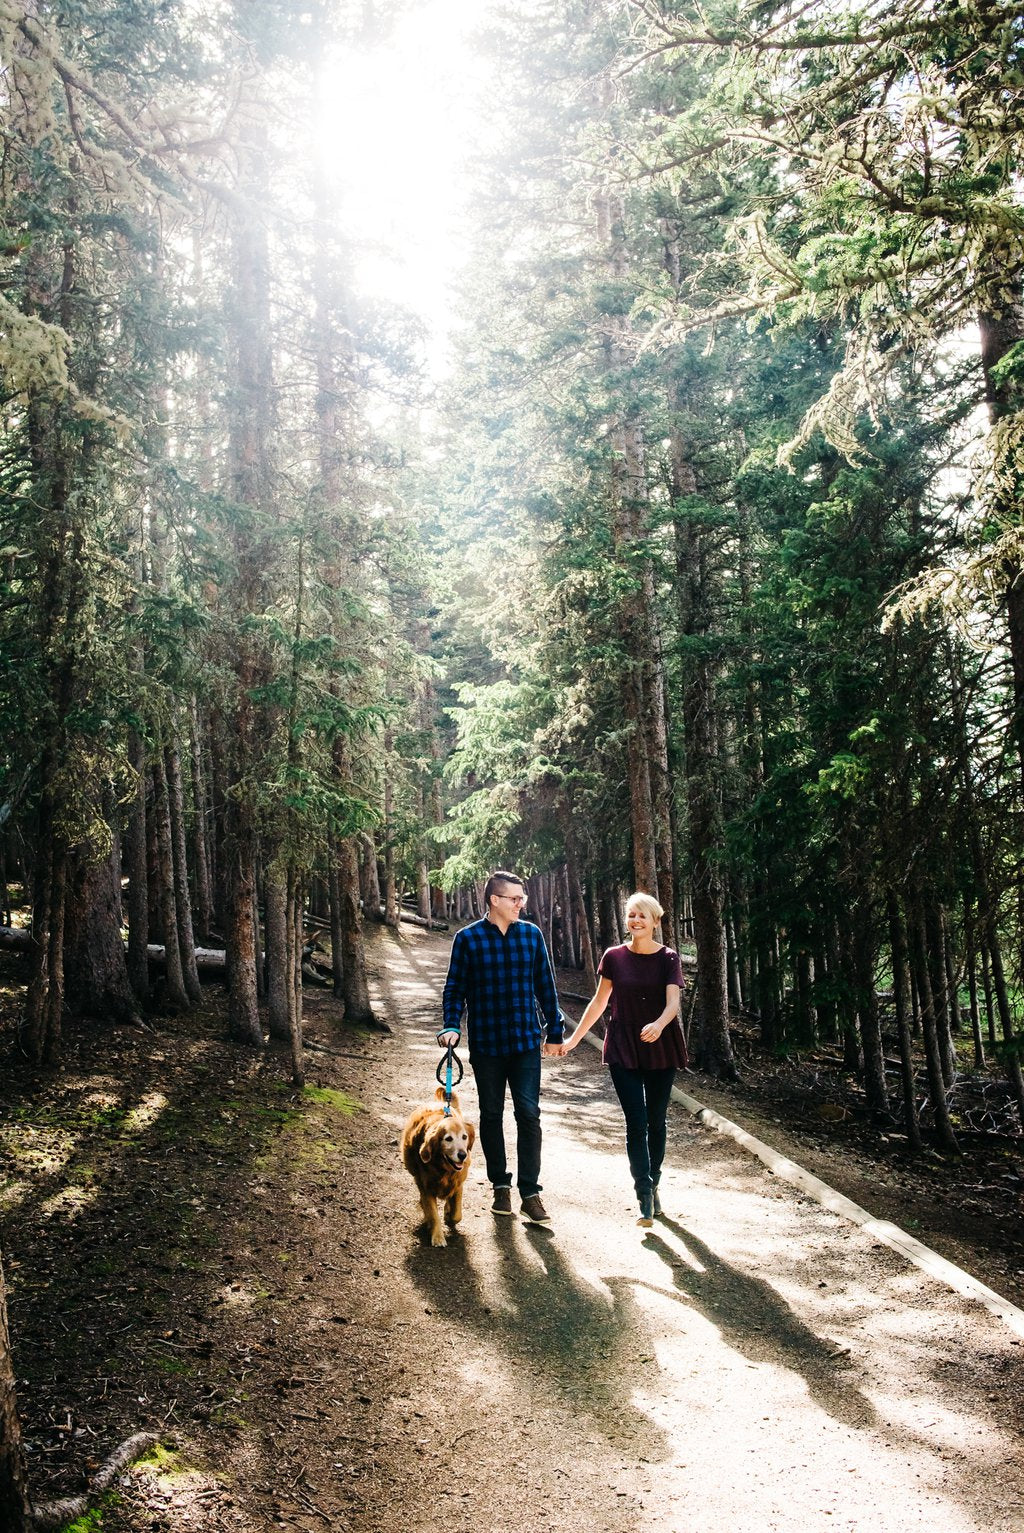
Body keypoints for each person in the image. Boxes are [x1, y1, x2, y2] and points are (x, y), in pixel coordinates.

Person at [439, 870, 564, 1227]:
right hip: (487, 1043)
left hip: (525, 1041)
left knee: (529, 1114)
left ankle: (530, 1193)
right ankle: (500, 1186)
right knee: (491, 1115)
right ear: (495, 900)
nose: (521, 904)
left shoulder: (531, 936)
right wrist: (450, 1025)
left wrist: (553, 1031)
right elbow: (455, 987)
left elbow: (546, 986)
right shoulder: (468, 939)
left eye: (521, 898)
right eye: (515, 898)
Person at [559, 891, 686, 1227]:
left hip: (660, 1043)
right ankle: (643, 1192)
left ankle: (654, 1181)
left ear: (655, 921)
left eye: (642, 916)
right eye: (631, 915)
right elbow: (599, 1003)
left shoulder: (669, 958)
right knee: (636, 1121)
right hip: (623, 1044)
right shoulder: (614, 957)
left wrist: (659, 1024)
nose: (635, 921)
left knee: (656, 1120)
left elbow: (673, 1002)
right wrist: (573, 1039)